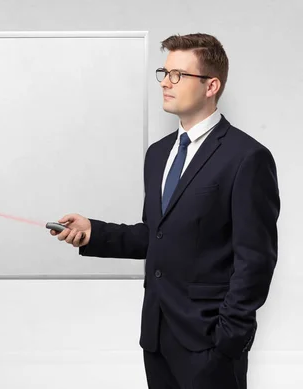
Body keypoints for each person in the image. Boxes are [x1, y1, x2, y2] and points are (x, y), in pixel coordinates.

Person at [50, 33, 280, 389]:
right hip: (156, 337)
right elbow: (156, 234)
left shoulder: (246, 158)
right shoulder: (158, 154)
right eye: (164, 72)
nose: (165, 83)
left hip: (210, 345)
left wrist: (227, 340)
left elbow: (256, 260)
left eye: (178, 75)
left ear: (211, 85)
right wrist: (94, 232)